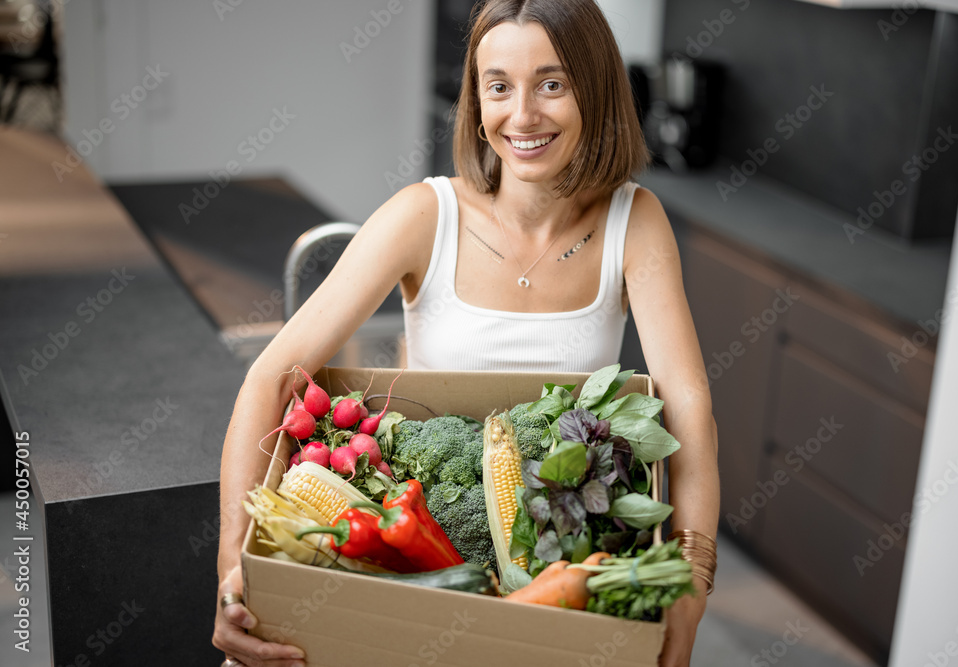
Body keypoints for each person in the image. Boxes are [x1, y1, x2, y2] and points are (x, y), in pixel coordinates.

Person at [213, 1, 719, 666]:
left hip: (558, 563)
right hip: (417, 559)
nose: (524, 115)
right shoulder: (425, 215)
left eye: (552, 83)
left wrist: (692, 583)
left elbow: (687, 409)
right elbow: (272, 376)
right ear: (477, 102)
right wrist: (233, 562)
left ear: (594, 90)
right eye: (499, 86)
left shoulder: (635, 220)